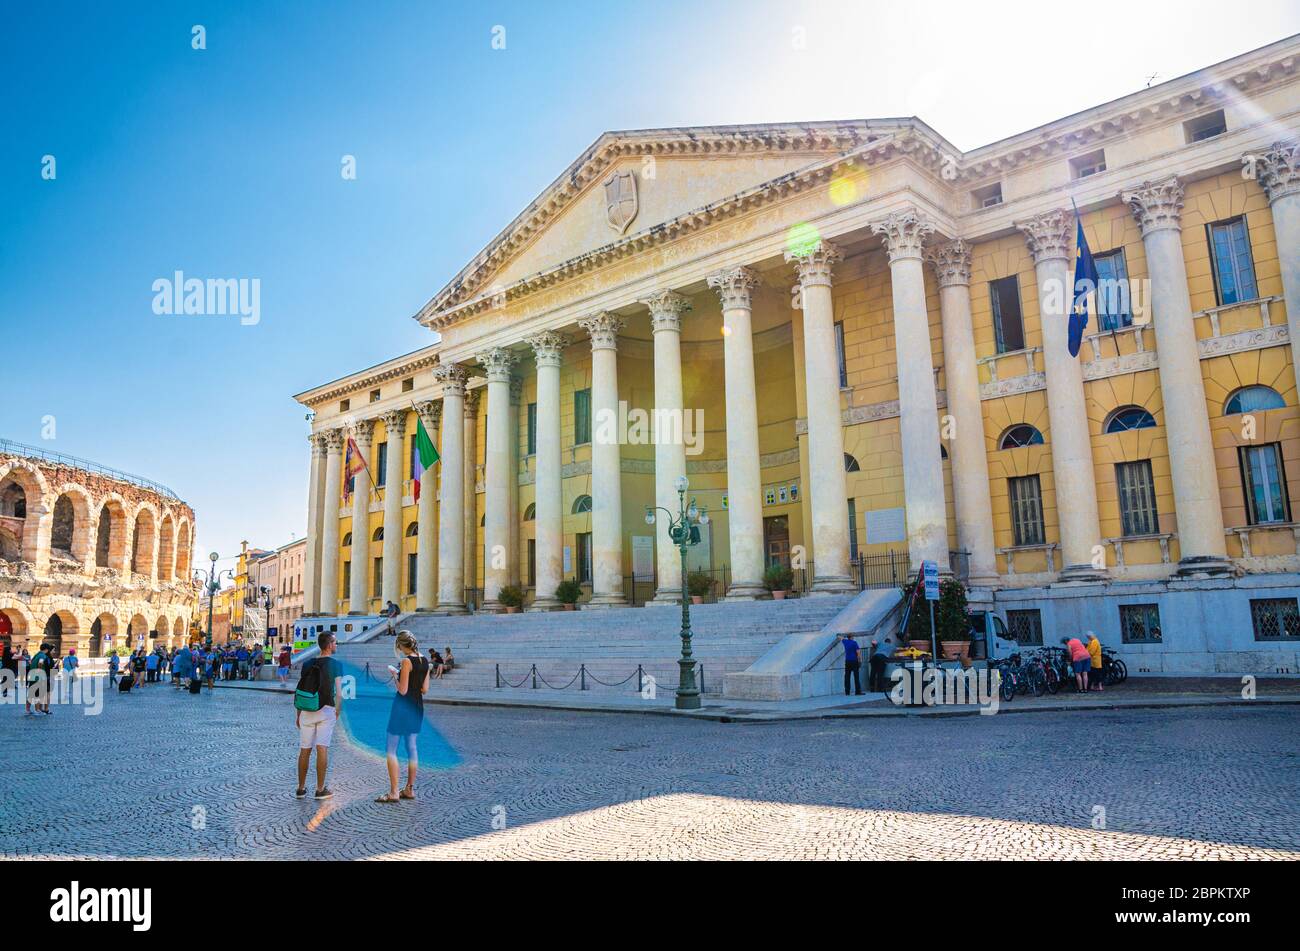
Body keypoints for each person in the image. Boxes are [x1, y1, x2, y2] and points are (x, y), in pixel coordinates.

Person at [376, 631, 430, 803]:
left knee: (391, 749)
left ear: (400, 645)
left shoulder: (406, 661)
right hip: (417, 706)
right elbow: (424, 689)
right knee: (412, 748)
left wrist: (395, 675)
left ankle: (394, 792)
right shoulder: (425, 660)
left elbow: (403, 690)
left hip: (402, 707)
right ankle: (409, 789)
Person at [295, 632, 344, 801]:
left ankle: (301, 788)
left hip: (306, 709)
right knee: (322, 748)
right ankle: (320, 789)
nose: (336, 645)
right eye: (335, 642)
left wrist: (299, 713)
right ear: (329, 645)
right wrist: (337, 710)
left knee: (304, 750)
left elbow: (302, 689)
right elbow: (339, 693)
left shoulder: (307, 663)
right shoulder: (336, 665)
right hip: (326, 709)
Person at [26, 642, 54, 716]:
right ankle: (37, 710)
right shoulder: (43, 655)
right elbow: (40, 663)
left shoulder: (37, 654)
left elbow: (30, 662)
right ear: (47, 649)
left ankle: (28, 710)